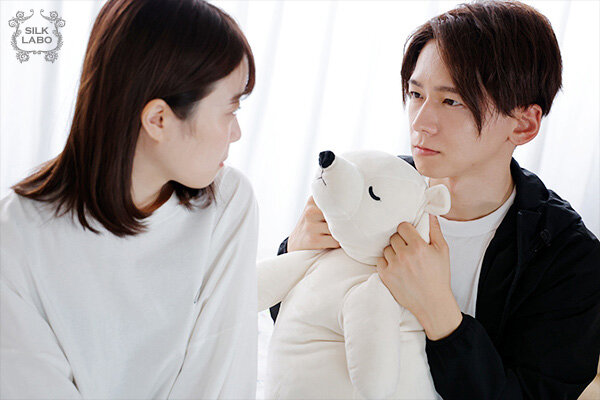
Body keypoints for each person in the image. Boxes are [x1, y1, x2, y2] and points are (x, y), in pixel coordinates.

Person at [271, 1, 600, 399]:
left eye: (451, 101)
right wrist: (295, 251)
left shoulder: (568, 257)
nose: (420, 122)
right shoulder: (371, 188)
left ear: (523, 124)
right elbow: (299, 331)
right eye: (415, 93)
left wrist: (440, 314)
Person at [0, 0, 259, 398]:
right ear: (158, 120)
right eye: (231, 109)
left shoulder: (227, 203)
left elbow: (222, 375)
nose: (236, 133)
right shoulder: (16, 235)